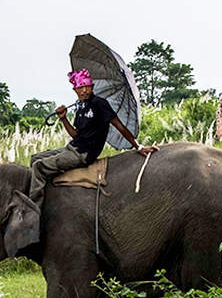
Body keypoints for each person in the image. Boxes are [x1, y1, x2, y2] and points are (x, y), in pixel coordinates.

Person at [29, 69, 156, 200]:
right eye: (80, 87)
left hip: (83, 154)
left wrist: (138, 146)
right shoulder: (81, 107)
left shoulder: (100, 104)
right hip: (72, 148)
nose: (84, 90)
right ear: (75, 90)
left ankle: (33, 205)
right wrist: (63, 119)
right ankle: (46, 192)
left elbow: (119, 126)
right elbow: (76, 136)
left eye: (87, 87)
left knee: (39, 167)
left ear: (92, 87)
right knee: (34, 159)